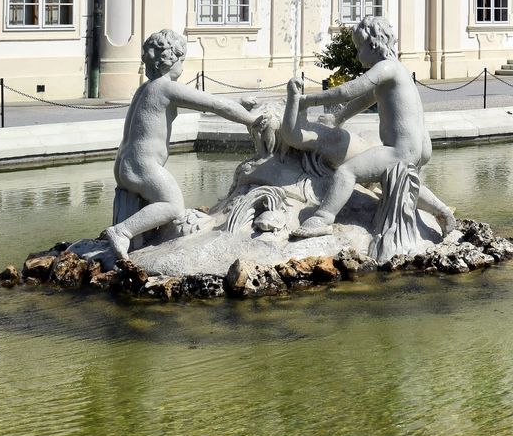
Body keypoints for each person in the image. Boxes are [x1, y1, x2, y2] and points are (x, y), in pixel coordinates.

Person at [283, 16, 455, 238]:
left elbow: (349, 91)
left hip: (402, 149)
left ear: (373, 44)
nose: (357, 55)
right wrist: (339, 118)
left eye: (359, 48)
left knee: (347, 171)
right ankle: (442, 211)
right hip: (421, 148)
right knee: (397, 182)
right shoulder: (398, 70)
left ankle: (322, 218)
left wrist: (308, 100)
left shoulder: (385, 68)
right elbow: (365, 99)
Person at [103, 29, 264, 260]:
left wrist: (239, 104)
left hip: (125, 164)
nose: (182, 66)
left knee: (161, 203)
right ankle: (122, 231)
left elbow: (211, 103)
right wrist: (252, 120)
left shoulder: (146, 88)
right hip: (143, 165)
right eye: (182, 60)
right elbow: (216, 105)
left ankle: (138, 238)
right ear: (171, 59)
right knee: (172, 205)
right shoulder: (167, 87)